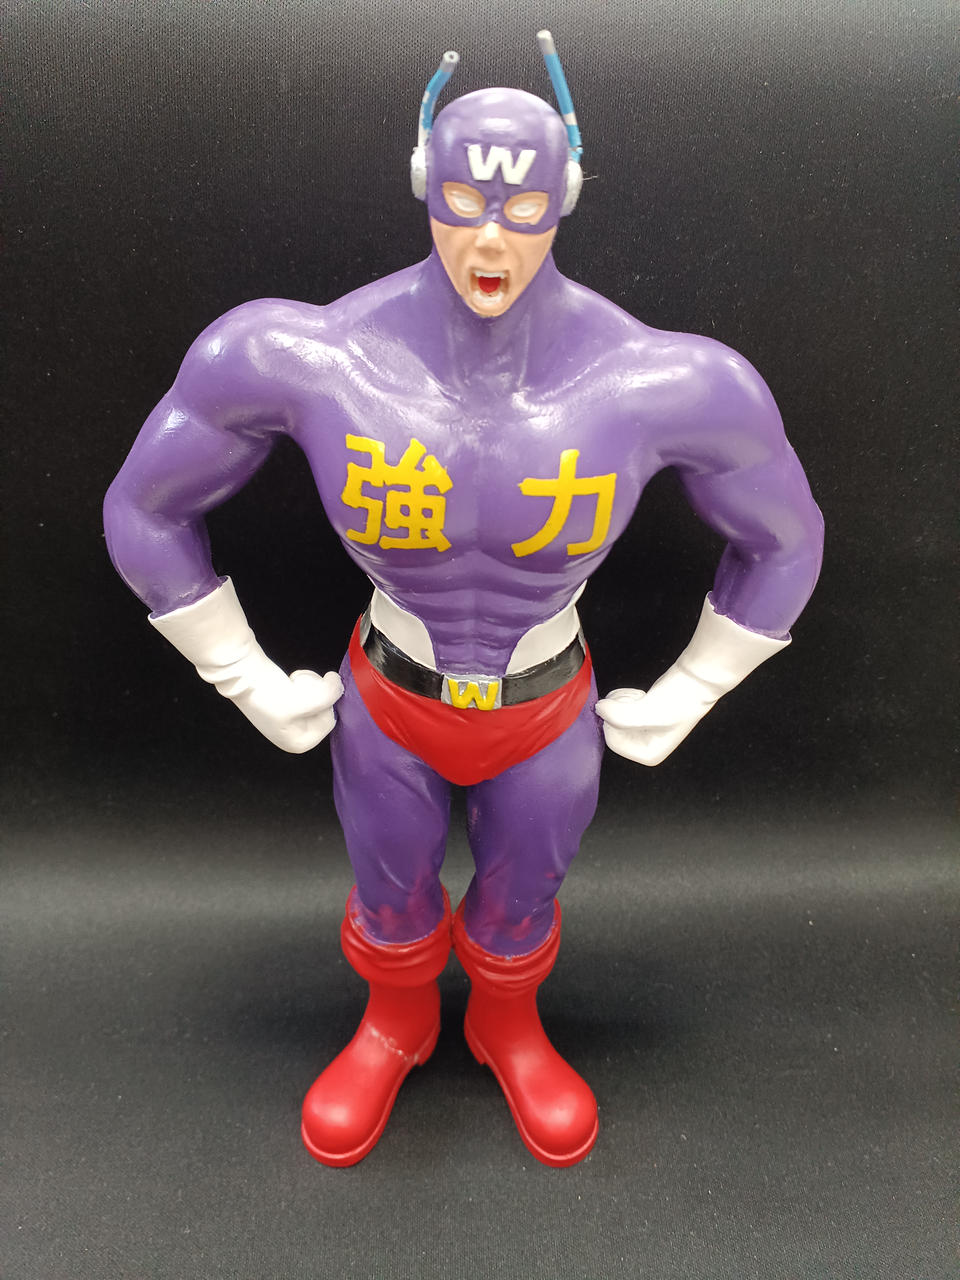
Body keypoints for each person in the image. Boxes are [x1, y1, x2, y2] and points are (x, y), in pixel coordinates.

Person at [103, 35, 824, 1169]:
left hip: (547, 705)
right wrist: (238, 672)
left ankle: (505, 1023)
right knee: (387, 884)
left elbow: (786, 536)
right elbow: (145, 506)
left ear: (566, 196)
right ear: (423, 187)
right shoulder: (312, 355)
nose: (491, 239)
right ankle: (395, 1023)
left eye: (524, 207)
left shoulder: (661, 381)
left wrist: (697, 687)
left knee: (526, 884)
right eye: (463, 202)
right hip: (391, 699)